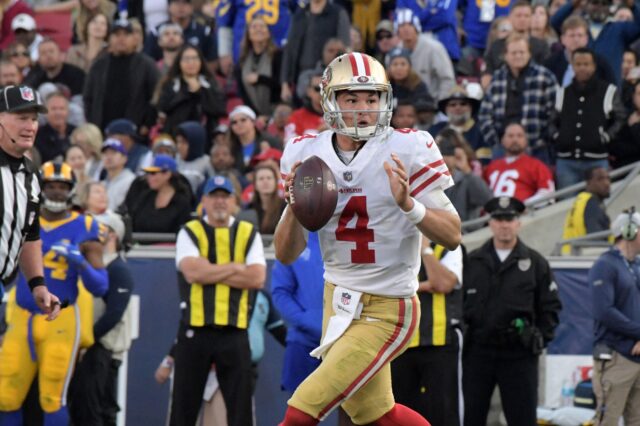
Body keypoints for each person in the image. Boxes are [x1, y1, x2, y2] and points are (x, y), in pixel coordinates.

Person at [274, 52, 461, 425]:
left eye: (372, 98)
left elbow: (453, 234)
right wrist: (296, 205)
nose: (364, 108)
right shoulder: (305, 153)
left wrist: (409, 205)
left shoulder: (408, 148)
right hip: (337, 302)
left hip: (389, 306)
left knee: (302, 408)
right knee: (376, 414)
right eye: (352, 98)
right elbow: (286, 253)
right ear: (330, 101)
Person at [0, 161, 108, 425]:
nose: (57, 192)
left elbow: (101, 286)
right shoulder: (22, 218)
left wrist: (80, 262)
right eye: (51, 186)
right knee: (5, 396)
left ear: (71, 190)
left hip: (61, 320)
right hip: (22, 316)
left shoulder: (86, 226)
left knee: (52, 397)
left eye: (62, 186)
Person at [171, 175, 266, 426]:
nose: (220, 202)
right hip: (195, 330)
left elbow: (256, 278)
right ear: (203, 200)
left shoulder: (247, 233)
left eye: (225, 196)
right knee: (184, 408)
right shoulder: (190, 231)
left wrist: (210, 270)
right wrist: (235, 267)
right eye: (214, 196)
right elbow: (193, 273)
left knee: (240, 411)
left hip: (234, 331)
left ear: (234, 201)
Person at [462, 196, 561, 426]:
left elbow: (551, 307)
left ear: (519, 222)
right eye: (498, 219)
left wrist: (536, 340)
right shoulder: (473, 261)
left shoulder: (536, 263)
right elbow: (458, 304)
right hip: (478, 353)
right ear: (490, 222)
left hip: (519, 354)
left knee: (522, 418)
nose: (504, 224)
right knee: (470, 416)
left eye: (510, 219)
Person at [391, 234, 464, 426]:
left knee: (444, 411)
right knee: (400, 411)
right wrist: (424, 286)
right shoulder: (394, 247)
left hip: (440, 341)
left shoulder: (449, 247)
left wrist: (425, 249)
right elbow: (387, 289)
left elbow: (443, 283)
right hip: (401, 342)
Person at [0, 85, 60, 315]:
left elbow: (30, 233)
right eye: (22, 117)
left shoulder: (30, 174)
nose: (30, 126)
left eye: (34, 119)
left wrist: (37, 284)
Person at [69, 211, 134, 426]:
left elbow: (114, 314)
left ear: (113, 235)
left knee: (99, 410)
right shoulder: (96, 266)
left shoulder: (118, 269)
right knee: (83, 408)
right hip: (87, 347)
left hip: (102, 349)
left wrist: (87, 339)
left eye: (98, 229)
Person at [590, 208, 640, 426]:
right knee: (607, 420)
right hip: (616, 358)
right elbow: (604, 311)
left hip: (637, 355)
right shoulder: (605, 265)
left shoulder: (636, 266)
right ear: (629, 232)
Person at [550, 48, 625, 189]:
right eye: (578, 64)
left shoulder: (608, 91)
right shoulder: (563, 92)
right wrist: (558, 136)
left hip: (596, 160)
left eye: (586, 64)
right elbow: (552, 120)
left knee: (597, 202)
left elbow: (620, 118)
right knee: (566, 206)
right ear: (572, 66)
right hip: (566, 160)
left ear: (594, 66)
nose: (582, 68)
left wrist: (606, 137)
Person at [478, 33, 558, 163]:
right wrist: (495, 142)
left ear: (529, 54)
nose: (518, 56)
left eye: (522, 52)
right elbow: (485, 115)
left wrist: (543, 139)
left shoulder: (545, 77)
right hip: (502, 148)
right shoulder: (497, 78)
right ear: (505, 56)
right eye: (514, 53)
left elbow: (554, 114)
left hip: (537, 148)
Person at [271, 232, 325, 394]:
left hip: (347, 340)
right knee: (299, 414)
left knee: (354, 413)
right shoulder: (294, 242)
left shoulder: (349, 238)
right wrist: (307, 320)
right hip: (304, 342)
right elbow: (281, 292)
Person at [84, 19, 160, 131]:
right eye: (116, 34)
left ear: (135, 39)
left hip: (135, 132)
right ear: (109, 39)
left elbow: (156, 96)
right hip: (103, 130)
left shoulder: (147, 65)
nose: (121, 39)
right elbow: (88, 97)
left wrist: (147, 124)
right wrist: (93, 123)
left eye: (126, 34)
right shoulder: (99, 65)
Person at [154, 44, 226, 138]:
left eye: (195, 58)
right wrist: (186, 93)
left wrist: (200, 92)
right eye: (186, 59)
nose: (191, 63)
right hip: (175, 134)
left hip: (206, 135)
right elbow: (163, 107)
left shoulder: (210, 83)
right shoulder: (170, 84)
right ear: (179, 62)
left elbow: (220, 109)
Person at [483, 122, 555, 204]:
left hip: (523, 215)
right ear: (502, 140)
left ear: (526, 141)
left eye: (519, 136)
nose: (515, 140)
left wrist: (524, 206)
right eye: (510, 136)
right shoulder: (491, 167)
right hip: (492, 214)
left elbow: (548, 194)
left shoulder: (536, 165)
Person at [122, 154, 193, 233]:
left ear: (167, 174)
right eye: (148, 173)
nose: (149, 177)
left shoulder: (181, 203)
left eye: (153, 173)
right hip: (140, 244)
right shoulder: (146, 197)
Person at [395, 8, 455, 101]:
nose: (406, 29)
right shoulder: (395, 52)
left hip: (431, 104)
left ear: (417, 27)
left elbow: (447, 79)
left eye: (410, 25)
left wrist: (440, 104)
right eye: (402, 25)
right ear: (397, 30)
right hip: (404, 104)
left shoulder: (434, 48)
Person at [235, 16, 284, 119]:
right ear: (248, 34)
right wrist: (255, 116)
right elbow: (242, 92)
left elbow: (281, 84)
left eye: (262, 26)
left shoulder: (278, 55)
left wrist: (260, 79)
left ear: (269, 33)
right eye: (254, 27)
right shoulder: (242, 61)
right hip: (253, 115)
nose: (258, 29)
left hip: (276, 111)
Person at [561, 167, 611, 254]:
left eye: (608, 178)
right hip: (583, 258)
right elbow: (597, 241)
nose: (606, 183)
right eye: (600, 179)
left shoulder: (581, 200)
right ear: (588, 183)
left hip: (570, 255)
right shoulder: (591, 203)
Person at [34, 92, 75, 163]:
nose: (58, 113)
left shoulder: (76, 132)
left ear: (68, 111)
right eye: (53, 109)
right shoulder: (37, 136)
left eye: (62, 108)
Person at [246, 163, 286, 235]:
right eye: (261, 179)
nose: (265, 181)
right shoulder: (249, 208)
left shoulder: (284, 208)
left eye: (269, 178)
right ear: (255, 185)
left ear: (275, 182)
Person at [100, 138, 136, 211]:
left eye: (113, 152)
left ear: (124, 158)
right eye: (105, 153)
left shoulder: (131, 181)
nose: (109, 157)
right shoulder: (101, 184)